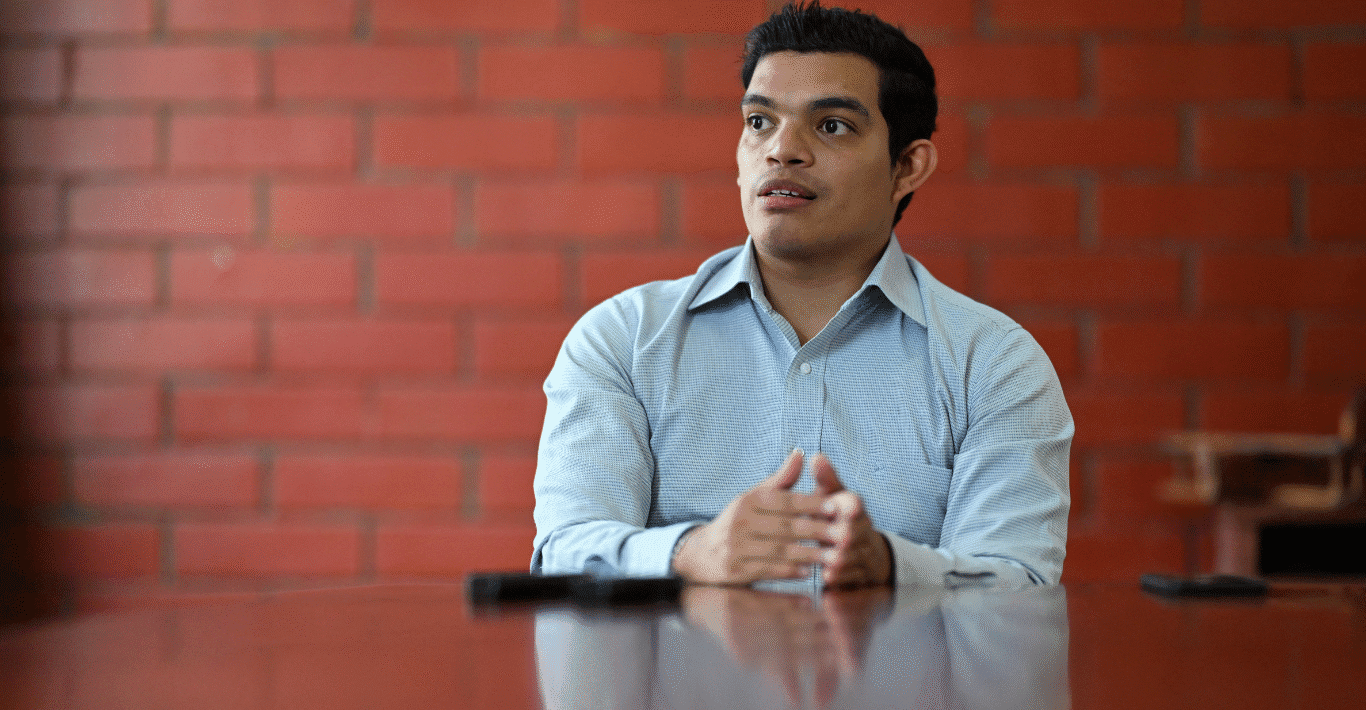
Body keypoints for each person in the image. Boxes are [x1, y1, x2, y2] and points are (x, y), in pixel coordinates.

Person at [530, 1, 1072, 587]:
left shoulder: (992, 364)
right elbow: (562, 551)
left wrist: (895, 569)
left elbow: (1023, 585)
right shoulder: (624, 340)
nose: (782, 150)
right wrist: (691, 553)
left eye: (832, 125)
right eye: (760, 121)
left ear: (907, 167)